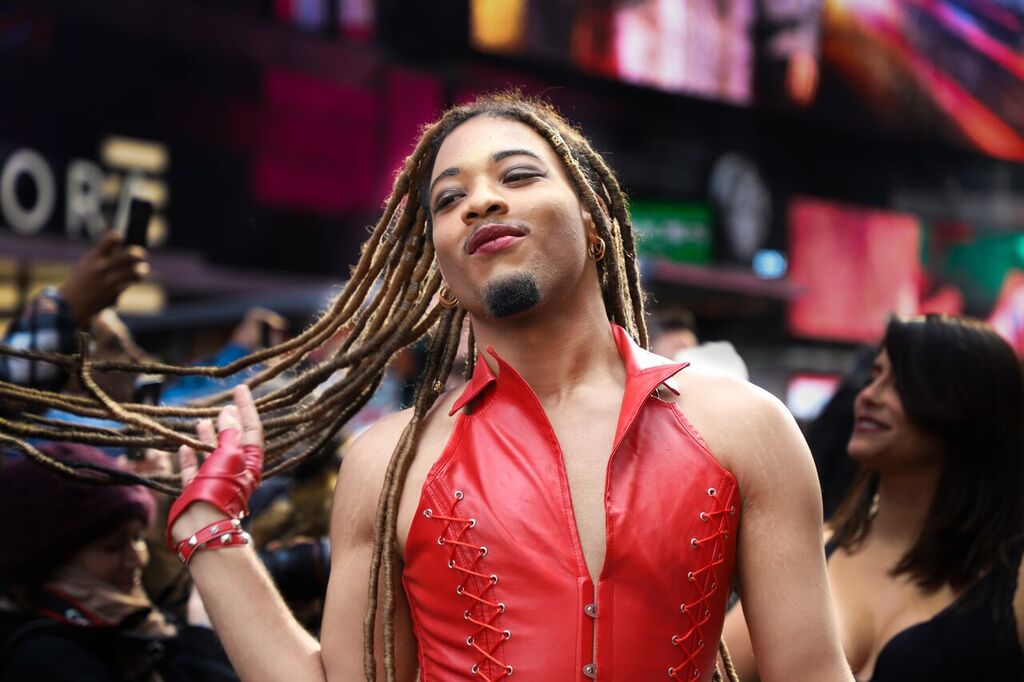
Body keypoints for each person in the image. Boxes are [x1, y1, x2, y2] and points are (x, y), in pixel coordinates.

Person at [157, 93, 853, 682]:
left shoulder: (747, 427)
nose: (482, 201)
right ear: (440, 266)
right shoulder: (387, 465)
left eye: (517, 176)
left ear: (593, 219)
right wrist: (209, 531)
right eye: (449, 198)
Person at [722, 315, 1024, 680]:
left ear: (967, 407)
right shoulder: (812, 548)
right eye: (874, 376)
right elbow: (717, 668)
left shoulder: (1012, 579)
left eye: (902, 384)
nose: (869, 396)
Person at [0, 443, 238, 681]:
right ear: (53, 560)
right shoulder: (46, 659)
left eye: (138, 538)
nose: (136, 560)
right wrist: (201, 635)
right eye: (112, 548)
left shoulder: (129, 620)